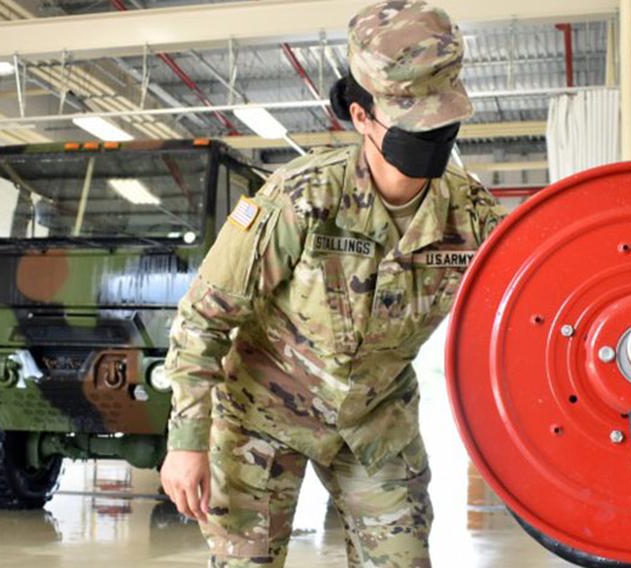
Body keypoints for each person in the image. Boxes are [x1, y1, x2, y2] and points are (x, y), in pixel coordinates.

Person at [160, 1, 506, 566]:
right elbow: (205, 316)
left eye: (442, 119)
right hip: (261, 416)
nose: (434, 134)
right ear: (361, 115)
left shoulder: (473, 216)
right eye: (414, 119)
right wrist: (186, 441)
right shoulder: (300, 198)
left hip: (376, 422)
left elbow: (540, 305)